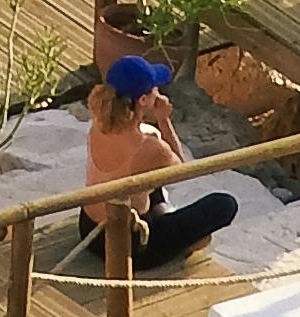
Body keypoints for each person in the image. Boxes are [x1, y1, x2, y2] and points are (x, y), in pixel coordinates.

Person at [84, 53, 238, 270]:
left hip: (89, 226)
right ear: (144, 100)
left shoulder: (99, 123)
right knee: (224, 205)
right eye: (154, 88)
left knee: (142, 178)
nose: (159, 91)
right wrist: (164, 119)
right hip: (129, 246)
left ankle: (164, 215)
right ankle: (174, 235)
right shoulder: (149, 148)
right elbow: (183, 170)